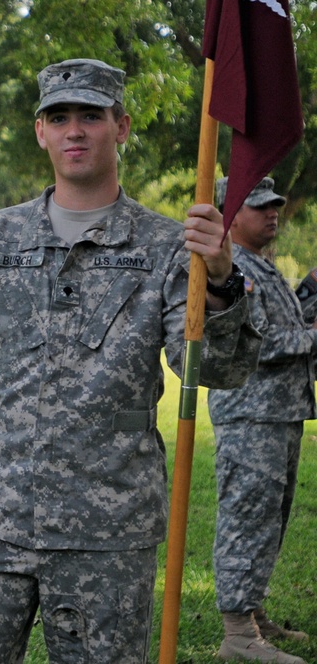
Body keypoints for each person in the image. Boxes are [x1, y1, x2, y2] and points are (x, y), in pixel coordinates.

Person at [0, 58, 261, 663]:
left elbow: (215, 371)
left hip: (110, 534)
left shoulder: (164, 247)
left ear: (121, 127)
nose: (75, 130)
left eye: (91, 116)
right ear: (40, 131)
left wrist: (224, 283)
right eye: (59, 116)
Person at [208, 176, 312, 664]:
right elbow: (260, 342)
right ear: (231, 215)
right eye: (259, 207)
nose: (273, 213)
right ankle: (237, 634)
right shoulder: (230, 273)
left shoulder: (262, 268)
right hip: (250, 417)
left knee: (271, 519)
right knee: (246, 519)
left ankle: (254, 613)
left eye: (275, 205)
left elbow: (288, 325)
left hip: (280, 414)